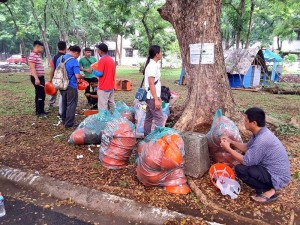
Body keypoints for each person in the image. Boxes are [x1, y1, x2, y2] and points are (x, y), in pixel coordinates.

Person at [220, 107, 291, 203]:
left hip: (277, 176)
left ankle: (267, 190)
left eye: (246, 120)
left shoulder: (262, 139)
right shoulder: (260, 133)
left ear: (254, 123)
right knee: (244, 160)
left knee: (241, 169)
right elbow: (246, 147)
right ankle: (269, 187)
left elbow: (246, 161)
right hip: (271, 169)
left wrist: (227, 148)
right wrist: (231, 142)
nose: (244, 122)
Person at [56, 45, 85, 128]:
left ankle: (64, 120)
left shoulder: (60, 59)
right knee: (71, 104)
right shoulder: (74, 61)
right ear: (76, 52)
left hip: (61, 84)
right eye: (78, 55)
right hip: (71, 85)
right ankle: (69, 123)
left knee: (64, 102)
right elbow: (77, 76)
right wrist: (82, 76)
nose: (78, 57)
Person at [143, 45, 164, 136]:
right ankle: (158, 139)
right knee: (160, 118)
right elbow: (151, 84)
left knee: (149, 117)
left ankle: (147, 137)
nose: (162, 54)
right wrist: (156, 99)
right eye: (161, 52)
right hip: (152, 97)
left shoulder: (153, 65)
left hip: (151, 96)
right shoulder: (152, 66)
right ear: (157, 54)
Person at [92, 43, 115, 112]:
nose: (98, 52)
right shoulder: (111, 59)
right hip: (111, 85)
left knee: (102, 106)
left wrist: (93, 70)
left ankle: (104, 121)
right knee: (111, 103)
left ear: (101, 51)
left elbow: (100, 74)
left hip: (104, 86)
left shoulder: (102, 60)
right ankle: (113, 118)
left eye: (98, 50)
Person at [28, 40, 47, 118]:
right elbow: (32, 68)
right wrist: (36, 79)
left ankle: (40, 110)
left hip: (40, 77)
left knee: (39, 93)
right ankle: (40, 112)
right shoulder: (32, 55)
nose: (42, 49)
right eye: (41, 47)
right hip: (37, 77)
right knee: (41, 94)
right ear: (37, 46)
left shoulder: (37, 55)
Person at [48, 41, 67, 114]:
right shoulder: (66, 57)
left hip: (56, 77)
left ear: (57, 47)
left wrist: (50, 79)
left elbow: (52, 69)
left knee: (54, 91)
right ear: (65, 48)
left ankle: (51, 104)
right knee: (63, 93)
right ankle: (63, 106)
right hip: (64, 78)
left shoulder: (54, 57)